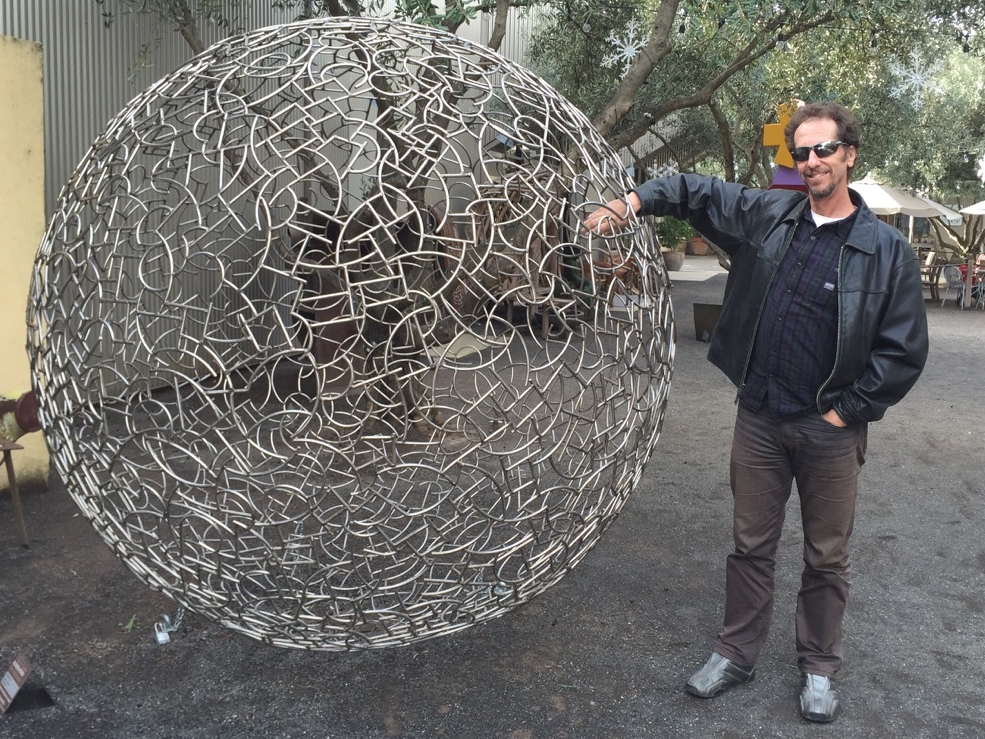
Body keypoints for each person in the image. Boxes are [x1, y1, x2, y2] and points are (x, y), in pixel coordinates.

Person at [583, 102, 928, 723]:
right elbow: (695, 192)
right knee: (749, 545)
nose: (812, 161)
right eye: (802, 152)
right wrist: (630, 202)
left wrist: (846, 413)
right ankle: (736, 652)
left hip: (828, 430)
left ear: (849, 154)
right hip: (761, 419)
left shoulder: (886, 251)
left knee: (827, 554)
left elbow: (902, 351)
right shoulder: (770, 213)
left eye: (824, 150)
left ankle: (819, 666)